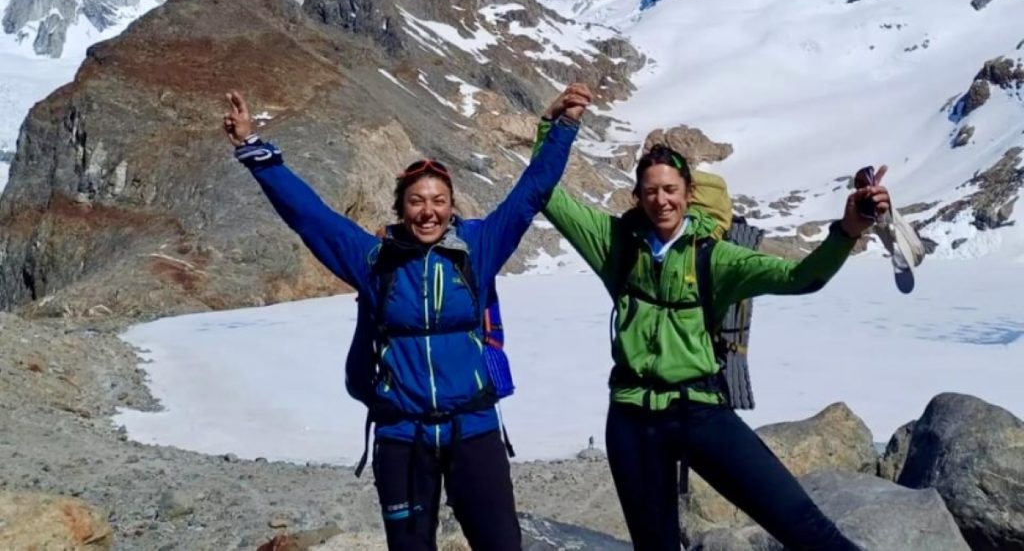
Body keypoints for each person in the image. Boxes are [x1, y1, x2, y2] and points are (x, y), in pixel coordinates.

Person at [222, 88, 583, 551]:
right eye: (416, 201)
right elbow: (310, 217)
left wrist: (562, 128)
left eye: (438, 200)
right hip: (402, 436)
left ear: (452, 207)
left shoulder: (479, 249)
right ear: (401, 208)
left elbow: (532, 192)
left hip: (473, 429)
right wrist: (255, 152)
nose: (428, 211)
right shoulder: (373, 261)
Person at [536, 83, 881, 551]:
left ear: (689, 194)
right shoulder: (615, 244)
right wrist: (554, 129)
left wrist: (848, 231)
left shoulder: (716, 258)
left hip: (700, 410)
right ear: (637, 195)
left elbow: (803, 278)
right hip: (632, 418)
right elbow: (545, 192)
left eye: (671, 190)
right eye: (651, 191)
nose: (662, 200)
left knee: (801, 524)